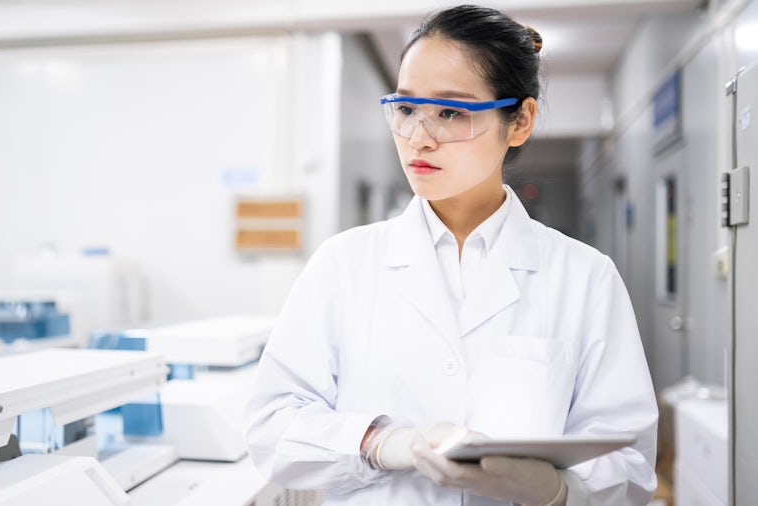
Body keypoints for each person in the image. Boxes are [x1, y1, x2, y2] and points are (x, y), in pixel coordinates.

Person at [243, 4, 658, 505]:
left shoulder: (585, 277)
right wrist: (379, 443)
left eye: (451, 112)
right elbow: (271, 426)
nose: (419, 137)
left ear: (520, 121)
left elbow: (631, 470)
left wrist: (555, 491)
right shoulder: (342, 264)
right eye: (406, 109)